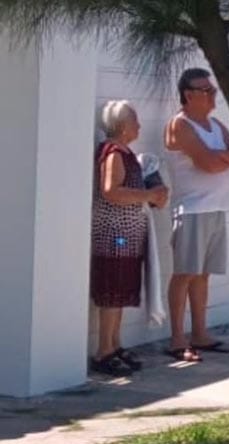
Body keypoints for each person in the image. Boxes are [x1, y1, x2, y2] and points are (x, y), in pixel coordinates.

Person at [164, 67, 229, 362]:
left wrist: (220, 157)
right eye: (206, 91)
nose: (213, 96)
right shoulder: (180, 125)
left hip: (216, 207)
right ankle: (177, 338)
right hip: (192, 209)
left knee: (202, 274)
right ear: (189, 95)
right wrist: (224, 158)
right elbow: (207, 165)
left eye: (213, 90)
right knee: (185, 272)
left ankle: (200, 333)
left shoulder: (214, 124)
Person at [90, 100, 169, 376]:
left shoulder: (127, 153)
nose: (139, 126)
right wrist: (148, 195)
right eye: (135, 121)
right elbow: (111, 190)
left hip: (128, 235)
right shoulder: (113, 153)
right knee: (112, 291)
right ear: (123, 126)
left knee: (121, 291)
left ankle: (115, 343)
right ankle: (104, 350)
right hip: (115, 235)